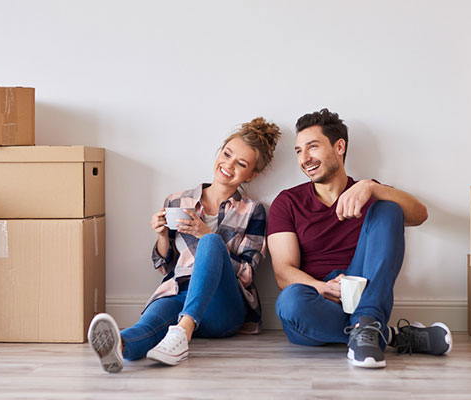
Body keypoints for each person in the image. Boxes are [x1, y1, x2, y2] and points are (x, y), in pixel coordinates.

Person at [88, 117, 281, 373]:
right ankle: (120, 348)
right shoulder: (177, 201)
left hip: (223, 307)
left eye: (241, 163)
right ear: (220, 150)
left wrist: (205, 234)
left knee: (211, 241)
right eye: (227, 154)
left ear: (252, 174)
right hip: (179, 292)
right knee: (148, 325)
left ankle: (183, 331)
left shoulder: (253, 211)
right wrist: (161, 235)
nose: (228, 165)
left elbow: (246, 274)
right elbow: (164, 266)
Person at [268, 109, 452, 369]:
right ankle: (389, 335)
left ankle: (367, 320)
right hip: (318, 300)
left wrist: (373, 187)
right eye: (298, 151)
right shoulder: (287, 202)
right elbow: (283, 272)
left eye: (312, 147)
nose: (304, 158)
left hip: (365, 290)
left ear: (339, 146)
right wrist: (320, 287)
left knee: (389, 208)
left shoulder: (367, 192)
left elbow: (420, 215)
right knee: (290, 302)